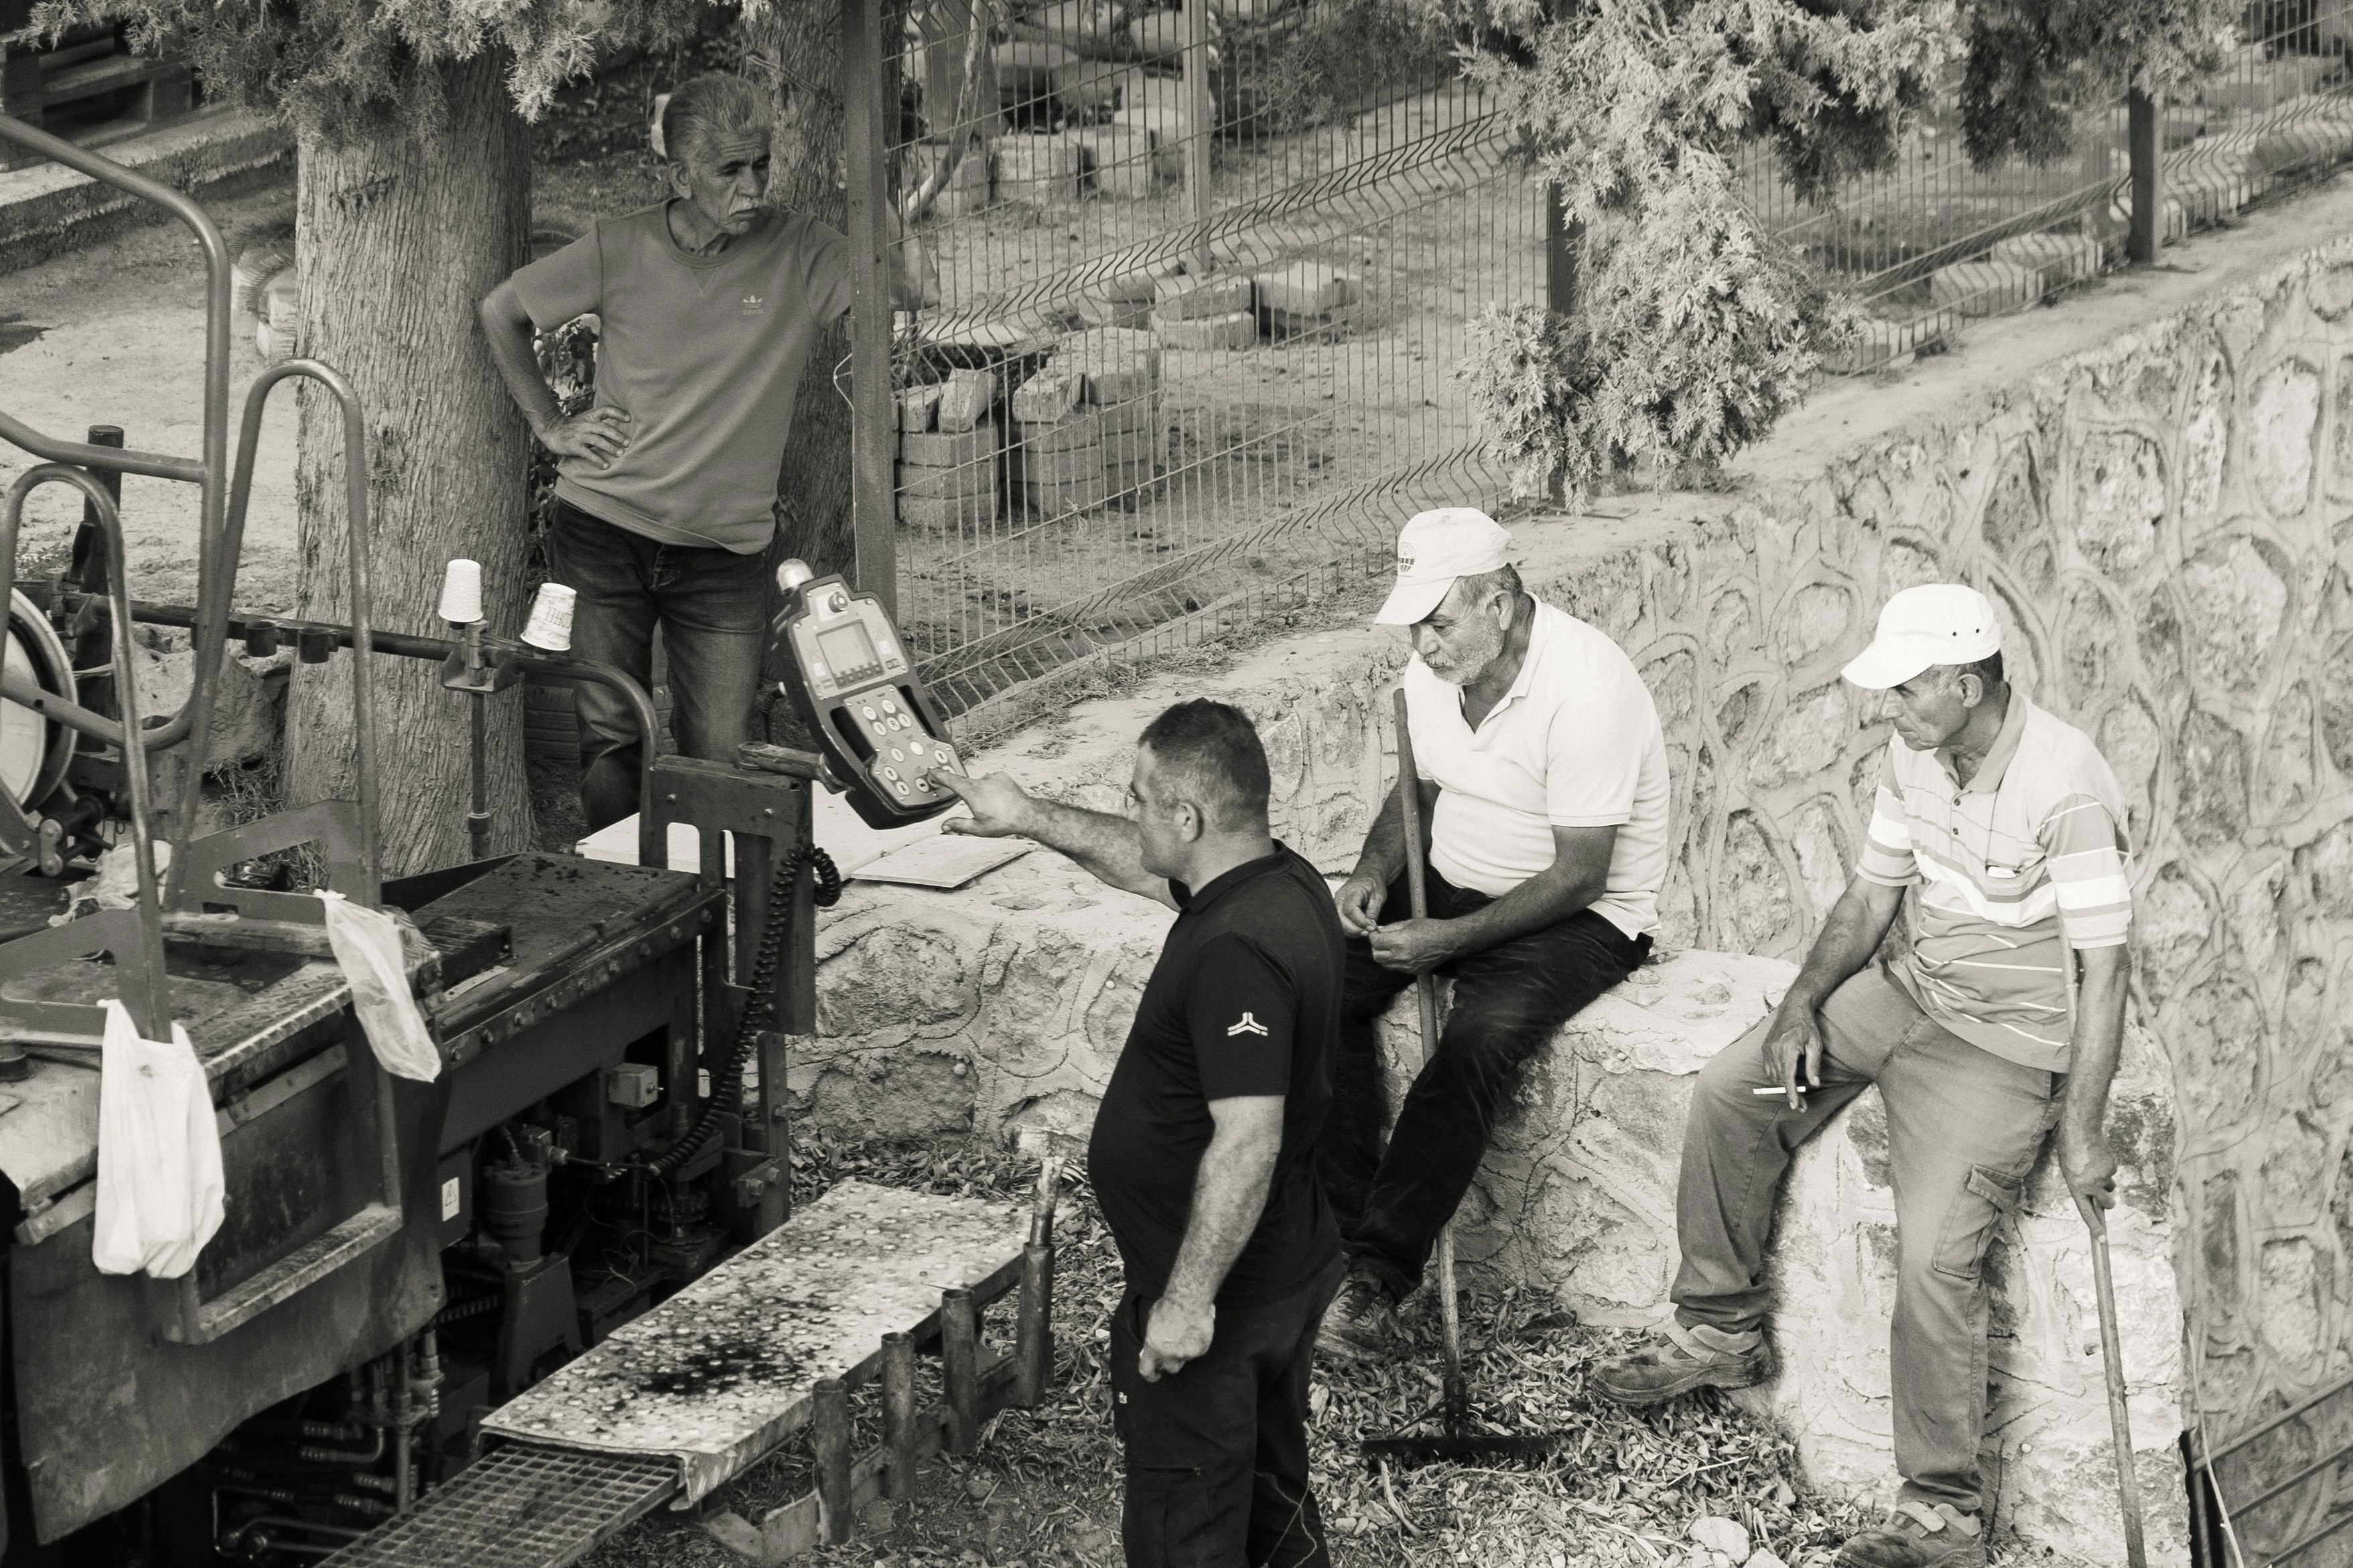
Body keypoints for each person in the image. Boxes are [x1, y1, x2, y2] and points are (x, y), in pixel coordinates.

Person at [1592, 585, 2136, 1568]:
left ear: (1964, 685)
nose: (1887, 707)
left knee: (1933, 1262)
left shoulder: (2068, 787)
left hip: (2003, 1048)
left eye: (1904, 690)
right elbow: (1873, 889)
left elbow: (2105, 969)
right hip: (1905, 990)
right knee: (1730, 1090)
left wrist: (2086, 1127)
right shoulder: (1917, 753)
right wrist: (1801, 1002)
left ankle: (1940, 1519)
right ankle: (1719, 1327)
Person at [931, 700, 1344, 1568]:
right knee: (1272, 1502)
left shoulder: (1237, 953)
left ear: (1188, 817)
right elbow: (1146, 867)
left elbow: (1248, 1141)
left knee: (1185, 1531)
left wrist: (1187, 1305)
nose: (1131, 808)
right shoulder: (1281, 879)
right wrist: (1028, 816)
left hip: (1222, 1307)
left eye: (1142, 797)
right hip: (1283, 1269)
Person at [480, 70, 933, 831]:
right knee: (610, 742)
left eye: (760, 164)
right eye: (728, 170)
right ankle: (625, 903)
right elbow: (501, 311)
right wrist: (549, 424)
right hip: (601, 529)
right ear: (679, 175)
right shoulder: (618, 246)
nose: (751, 186)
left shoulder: (805, 253)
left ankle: (713, 909)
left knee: (720, 753)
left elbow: (918, 288)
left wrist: (873, 179)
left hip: (724, 554)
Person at [1316, 508, 1671, 1359]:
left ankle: (1374, 1278)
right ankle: (1331, 1244)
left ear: (1500, 603)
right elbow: (1421, 794)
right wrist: (1372, 873)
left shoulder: (1585, 684)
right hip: (1454, 875)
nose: (1423, 647)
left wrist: (1448, 941)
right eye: (1414, 626)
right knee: (1319, 989)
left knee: (1476, 1043)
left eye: (1437, 624)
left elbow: (1581, 871)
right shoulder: (1434, 672)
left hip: (1579, 913)